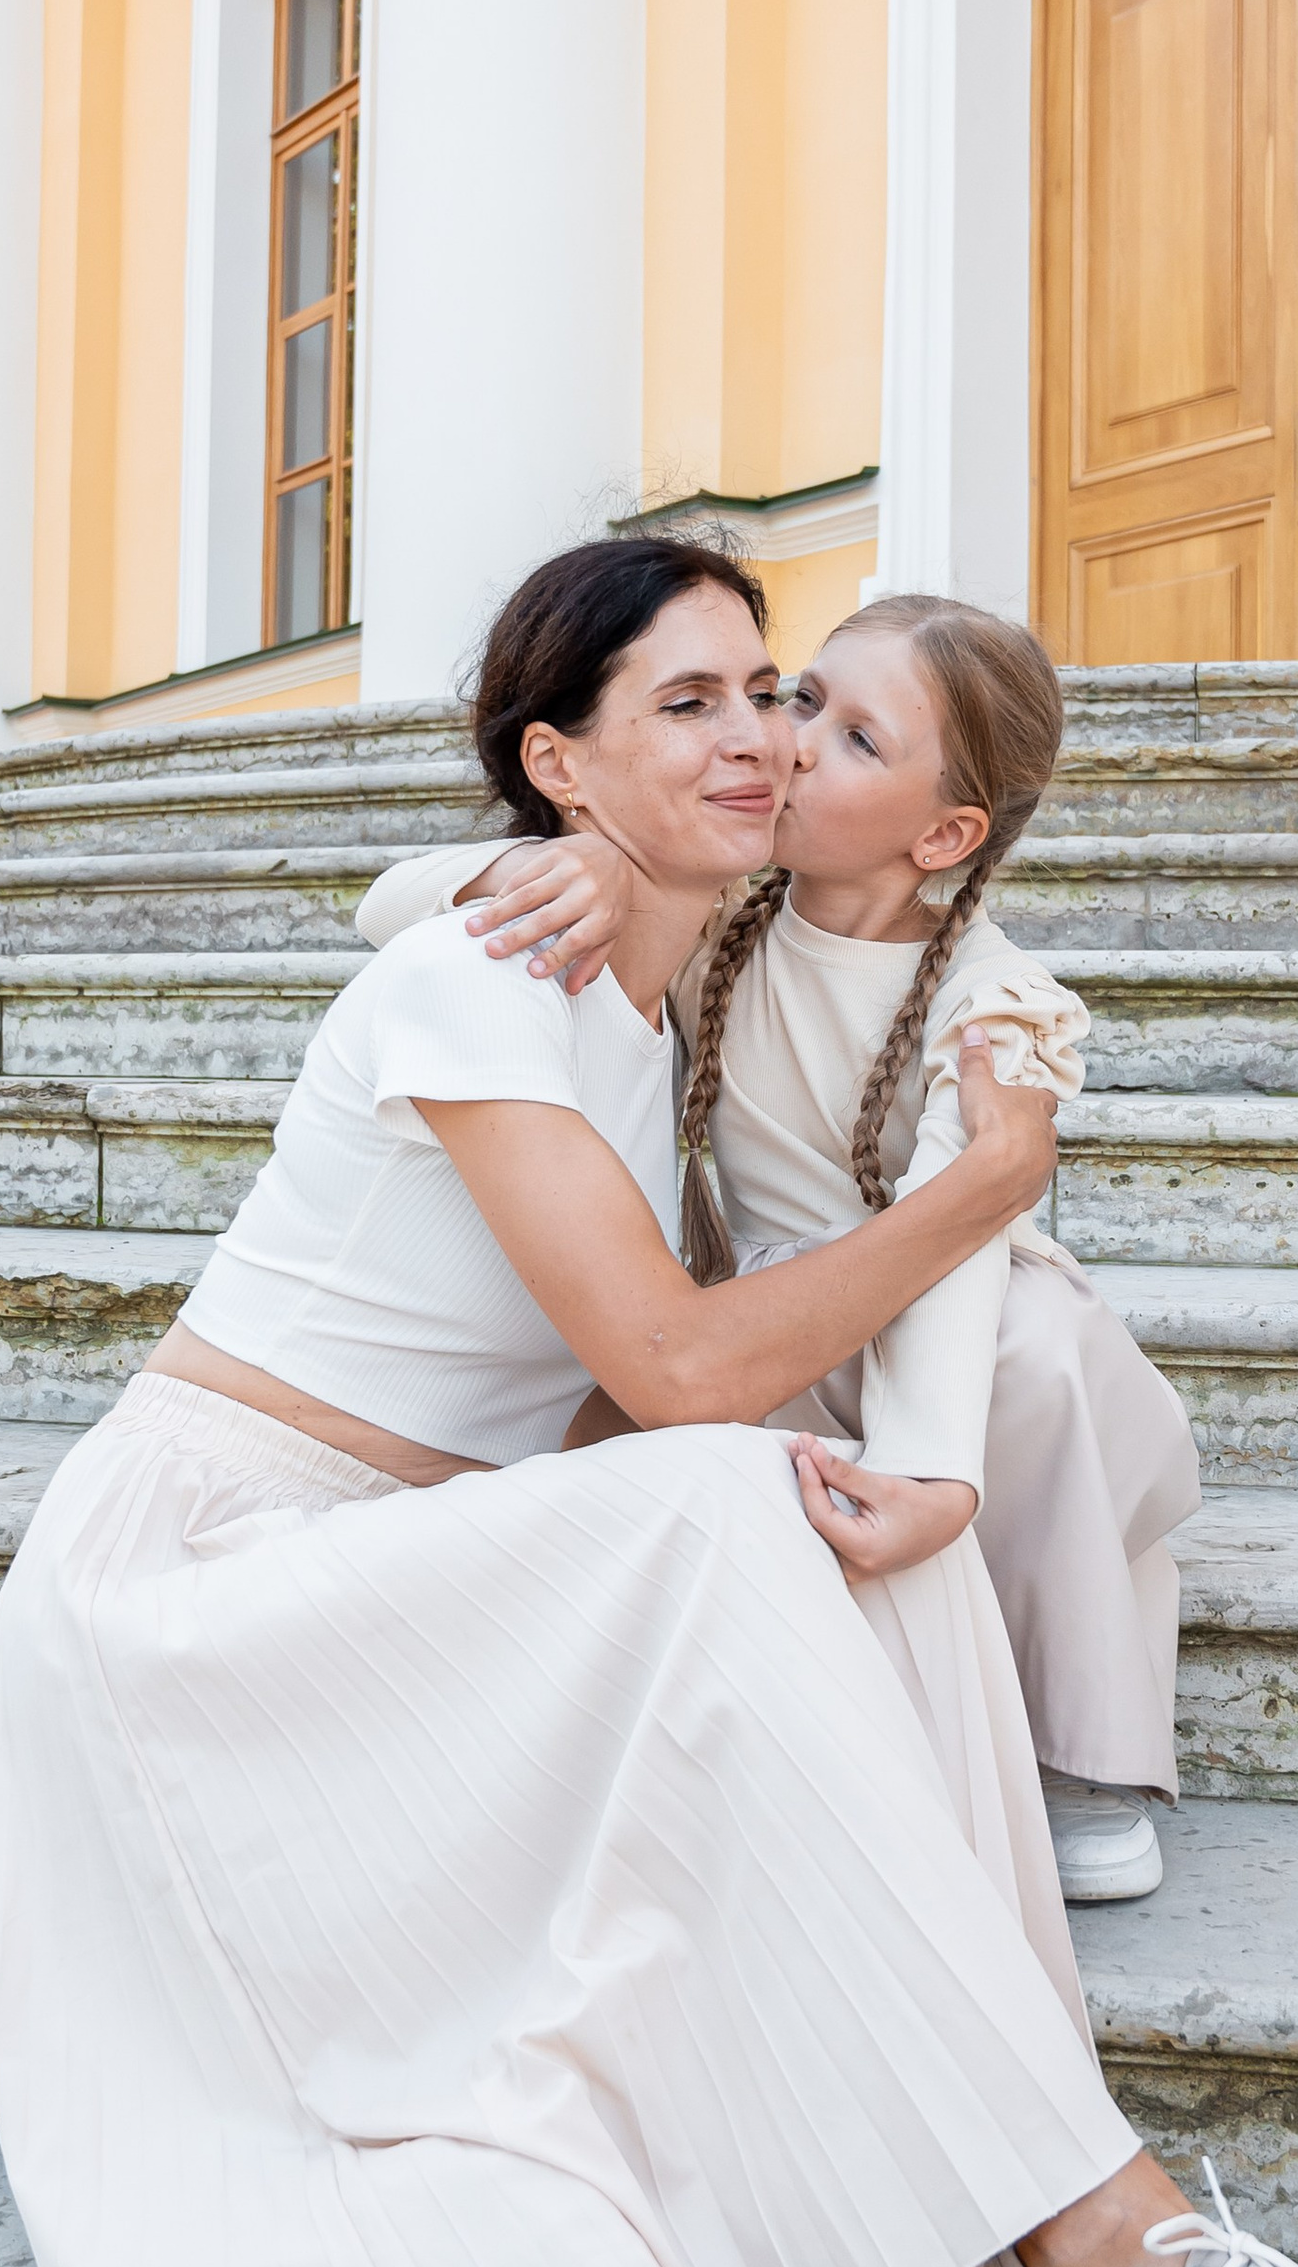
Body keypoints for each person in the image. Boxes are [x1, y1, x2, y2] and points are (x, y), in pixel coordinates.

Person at [0, 534, 1298, 2267]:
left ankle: (1064, 2261)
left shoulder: (650, 988)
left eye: (768, 688)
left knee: (880, 1533)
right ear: (557, 767)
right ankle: (1094, 2240)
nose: (753, 735)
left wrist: (935, 1454)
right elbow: (676, 1374)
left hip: (411, 1584)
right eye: (682, 704)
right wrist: (985, 1183)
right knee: (736, 1475)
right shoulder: (481, 968)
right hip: (199, 1600)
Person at [356, 590, 1201, 1905]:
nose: (794, 742)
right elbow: (383, 904)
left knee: (1032, 1351)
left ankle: (1080, 1752)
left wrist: (931, 1467)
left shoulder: (1005, 1004)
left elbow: (961, 1233)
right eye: (804, 697)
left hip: (956, 1319)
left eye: (857, 737)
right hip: (784, 1314)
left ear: (946, 830)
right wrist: (530, 870)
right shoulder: (718, 919)